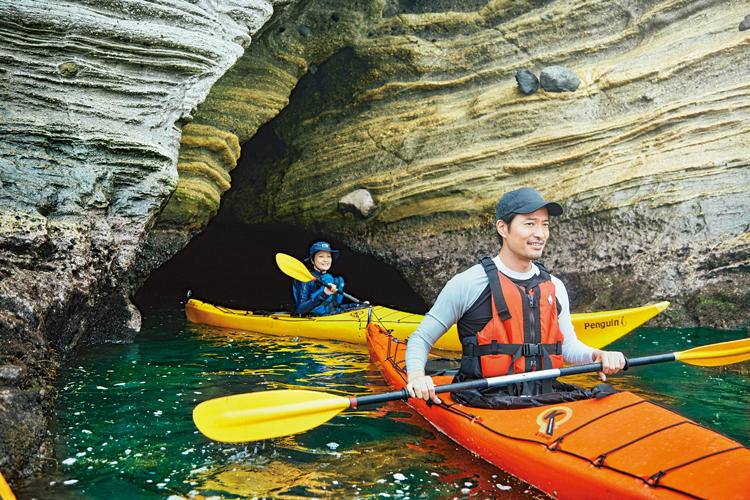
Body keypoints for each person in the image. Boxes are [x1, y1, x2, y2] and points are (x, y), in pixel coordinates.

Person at [405, 187, 626, 406]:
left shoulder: (555, 287)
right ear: (503, 228)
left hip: (544, 399)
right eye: (529, 223)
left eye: (545, 225)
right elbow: (420, 339)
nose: (540, 234)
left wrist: (596, 355)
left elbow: (568, 347)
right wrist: (416, 376)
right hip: (483, 402)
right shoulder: (468, 284)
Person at [293, 241, 349, 315]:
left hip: (332, 318)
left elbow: (334, 306)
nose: (326, 260)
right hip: (314, 320)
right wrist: (324, 294)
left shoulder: (331, 280)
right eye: (321, 256)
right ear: (312, 260)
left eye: (328, 256)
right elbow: (300, 309)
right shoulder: (306, 280)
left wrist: (358, 306)